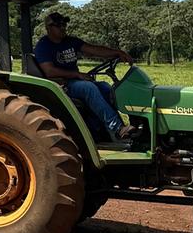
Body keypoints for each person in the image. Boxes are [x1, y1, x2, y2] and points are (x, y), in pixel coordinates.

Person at [33, 11, 137, 143]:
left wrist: (117, 52)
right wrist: (77, 74)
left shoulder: (70, 41)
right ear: (48, 28)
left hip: (74, 81)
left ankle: (116, 132)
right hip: (60, 84)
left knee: (105, 87)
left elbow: (94, 49)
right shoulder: (43, 46)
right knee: (88, 88)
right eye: (58, 25)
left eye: (64, 25)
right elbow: (49, 71)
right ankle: (116, 128)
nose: (63, 28)